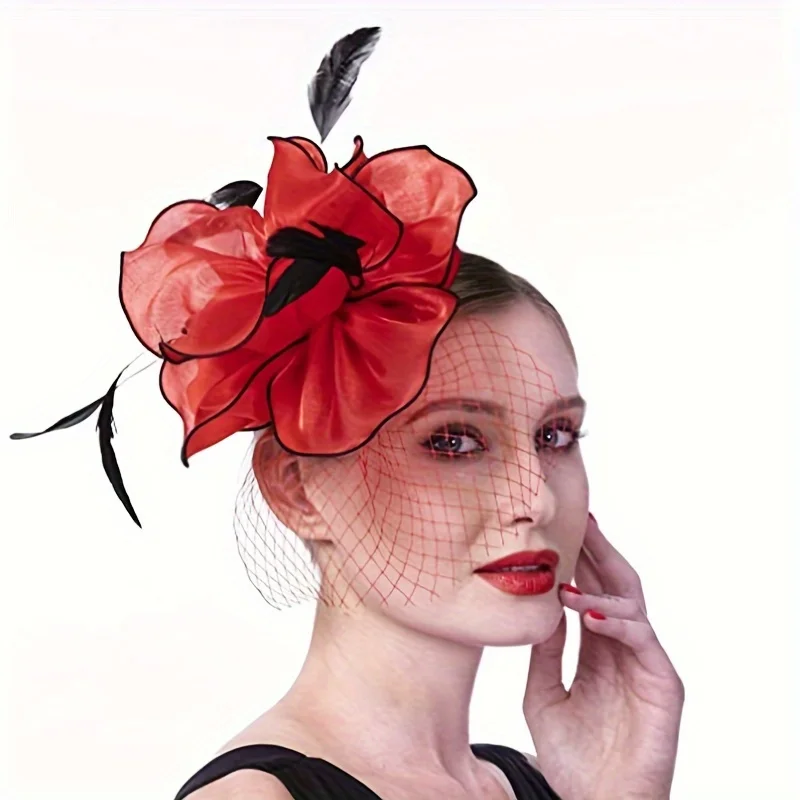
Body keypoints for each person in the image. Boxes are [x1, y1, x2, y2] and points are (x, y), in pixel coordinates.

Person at [11, 130, 685, 799]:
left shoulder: (539, 783)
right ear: (298, 487)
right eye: (453, 441)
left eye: (555, 435)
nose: (536, 499)